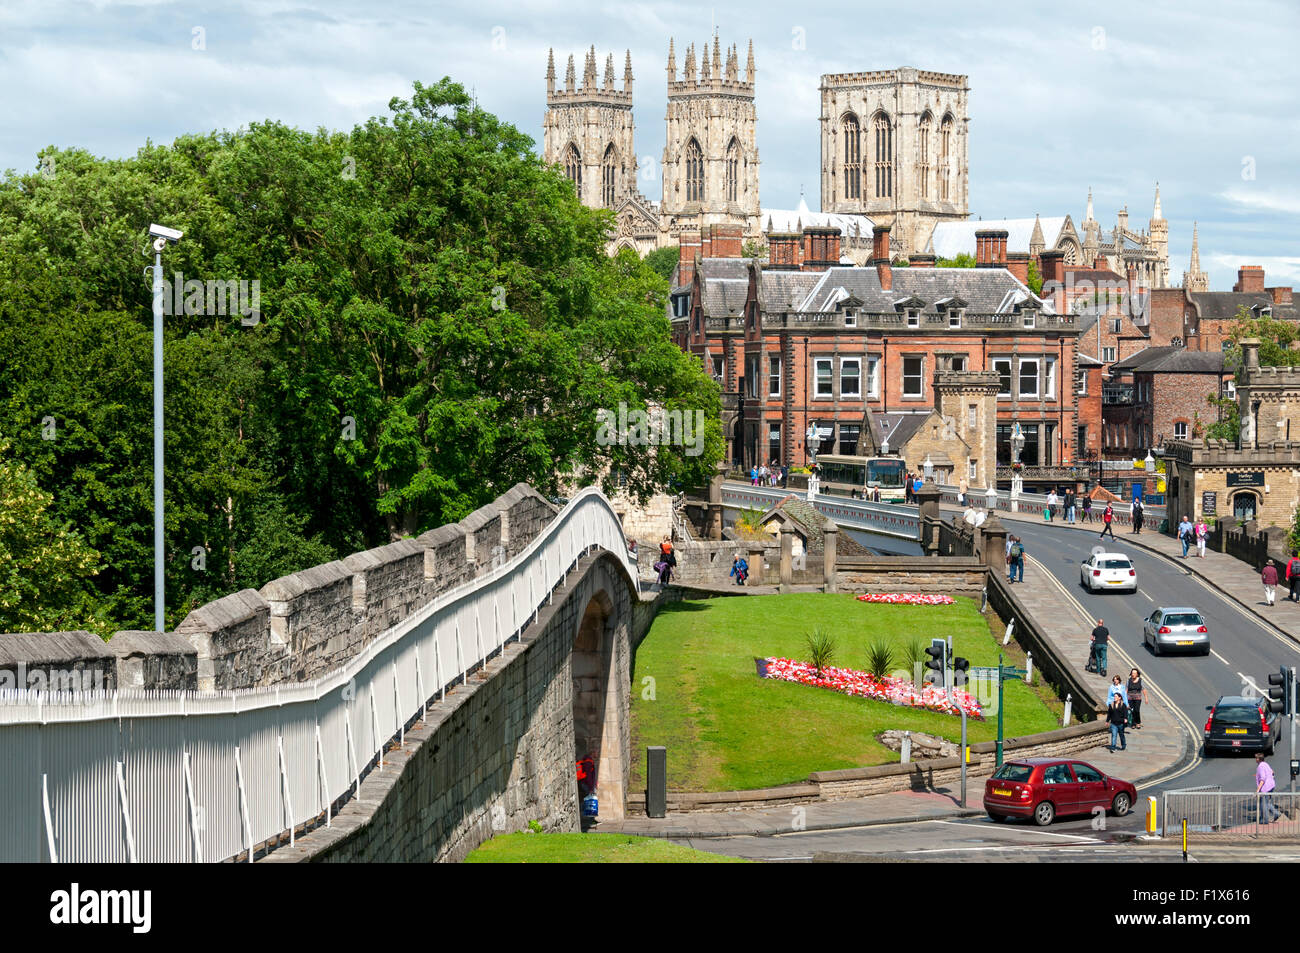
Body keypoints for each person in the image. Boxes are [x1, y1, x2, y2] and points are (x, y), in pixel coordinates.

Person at [1255, 752, 1282, 824]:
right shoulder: (1266, 764)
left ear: (1258, 759)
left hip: (1265, 788)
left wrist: (1257, 790)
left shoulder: (1260, 766)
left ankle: (1264, 820)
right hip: (1271, 786)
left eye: (1256, 758)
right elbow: (1272, 772)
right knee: (1266, 802)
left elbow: (1262, 779)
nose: (1255, 759)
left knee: (1263, 804)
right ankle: (1276, 813)